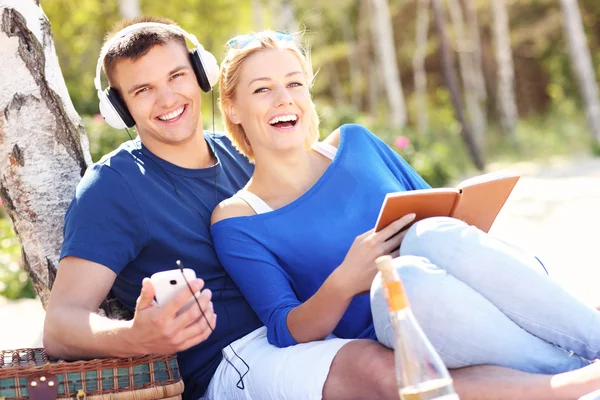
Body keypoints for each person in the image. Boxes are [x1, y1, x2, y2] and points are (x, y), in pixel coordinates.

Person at [43, 16, 600, 400]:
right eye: (142, 92)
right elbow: (61, 324)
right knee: (381, 368)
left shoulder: (249, 154)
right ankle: (571, 386)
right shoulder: (115, 187)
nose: (167, 100)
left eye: (176, 77)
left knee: (422, 290)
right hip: (241, 355)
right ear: (120, 107)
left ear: (203, 78)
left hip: (333, 320)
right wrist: (137, 338)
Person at [211, 29, 600, 392]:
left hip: (466, 295)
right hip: (402, 325)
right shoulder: (239, 219)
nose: (284, 99)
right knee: (406, 279)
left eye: (294, 83)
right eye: (263, 89)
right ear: (234, 109)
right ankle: (568, 375)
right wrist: (346, 279)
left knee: (427, 235)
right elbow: (284, 328)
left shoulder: (357, 142)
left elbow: (447, 218)